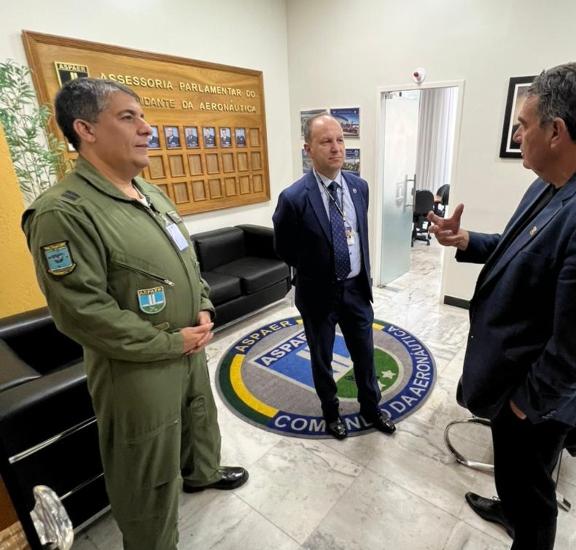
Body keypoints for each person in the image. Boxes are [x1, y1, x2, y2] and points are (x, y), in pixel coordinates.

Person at [428, 59, 576, 550]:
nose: (517, 135)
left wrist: (522, 405)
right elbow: (523, 250)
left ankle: (524, 527)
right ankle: (508, 508)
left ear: (556, 131)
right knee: (516, 479)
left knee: (532, 492)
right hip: (522, 375)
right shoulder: (557, 180)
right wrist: (466, 240)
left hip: (539, 395)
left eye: (523, 124)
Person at [22, 78, 248, 550]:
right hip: (137, 367)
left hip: (188, 346)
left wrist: (203, 304)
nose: (147, 128)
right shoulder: (63, 212)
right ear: (85, 129)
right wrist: (169, 342)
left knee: (199, 417)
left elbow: (186, 262)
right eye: (129, 118)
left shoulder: (149, 193)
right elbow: (82, 312)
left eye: (143, 116)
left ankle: (202, 472)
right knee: (146, 467)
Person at [272, 114, 395, 440]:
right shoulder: (293, 198)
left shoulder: (359, 187)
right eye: (326, 141)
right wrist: (316, 267)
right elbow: (284, 248)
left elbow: (358, 233)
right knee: (322, 357)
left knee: (365, 354)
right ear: (308, 149)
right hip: (317, 294)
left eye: (340, 140)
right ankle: (331, 411)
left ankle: (371, 407)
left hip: (355, 289)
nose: (336, 148)